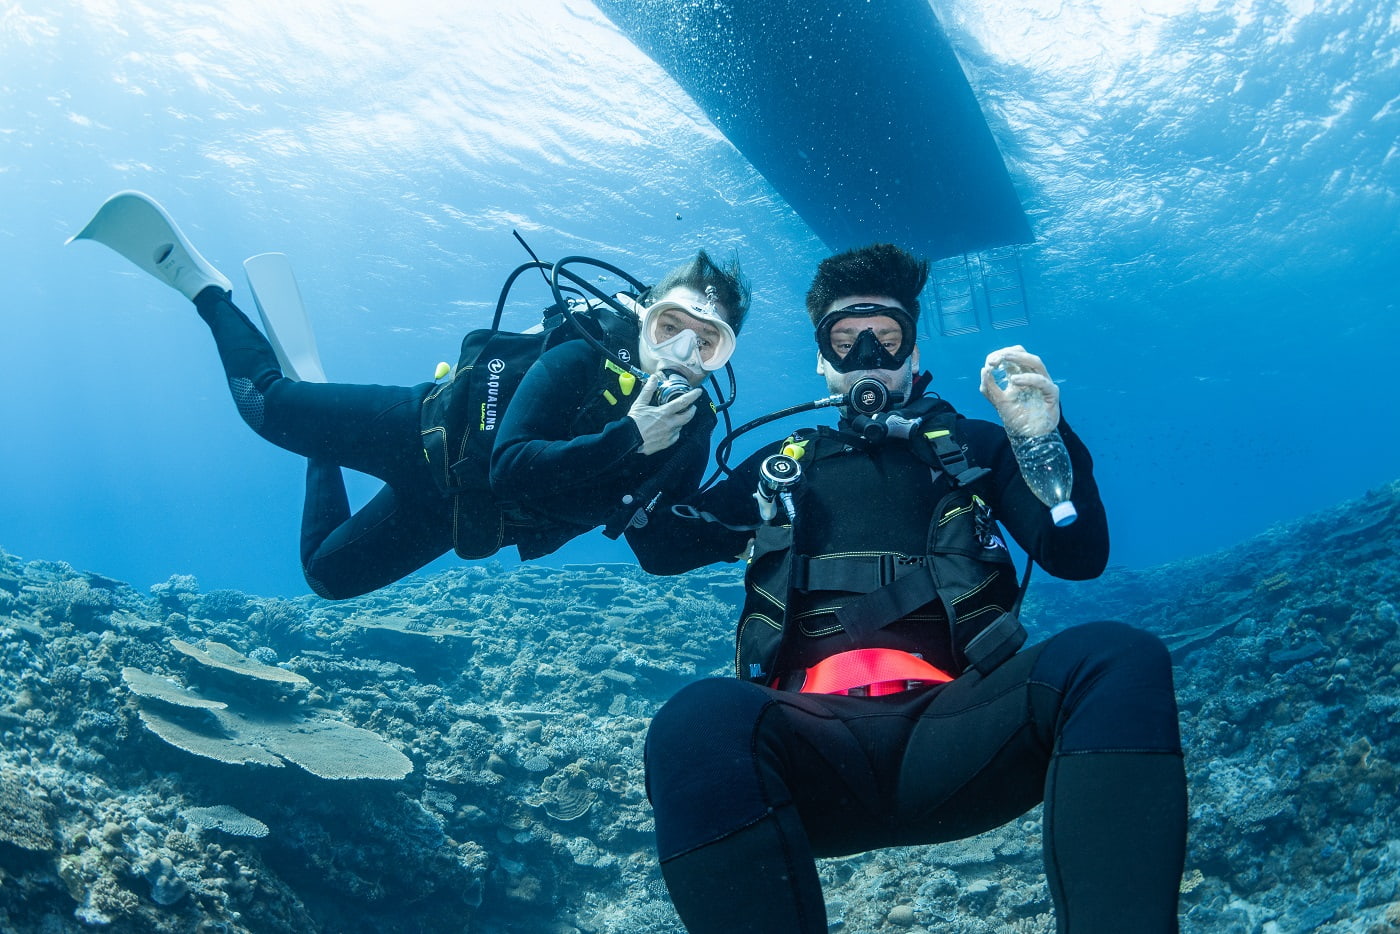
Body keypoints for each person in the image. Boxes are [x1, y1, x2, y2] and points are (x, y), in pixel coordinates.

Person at [632, 243, 1187, 932]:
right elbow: (661, 547)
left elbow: (1078, 555)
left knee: (1118, 657)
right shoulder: (783, 464)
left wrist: (1046, 440)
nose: (867, 356)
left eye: (886, 338)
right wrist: (657, 434)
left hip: (960, 733)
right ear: (821, 361)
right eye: (845, 341)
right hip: (807, 756)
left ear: (914, 353)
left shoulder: (974, 445)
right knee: (696, 720)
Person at [70, 191, 750, 600]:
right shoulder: (581, 356)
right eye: (670, 328)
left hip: (453, 514)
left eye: (706, 343)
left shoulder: (690, 435)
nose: (681, 355)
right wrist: (629, 435)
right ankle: (203, 289)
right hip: (422, 433)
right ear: (643, 317)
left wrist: (751, 525)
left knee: (326, 578)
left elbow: (657, 548)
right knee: (266, 407)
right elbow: (510, 466)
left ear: (722, 356)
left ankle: (322, 431)